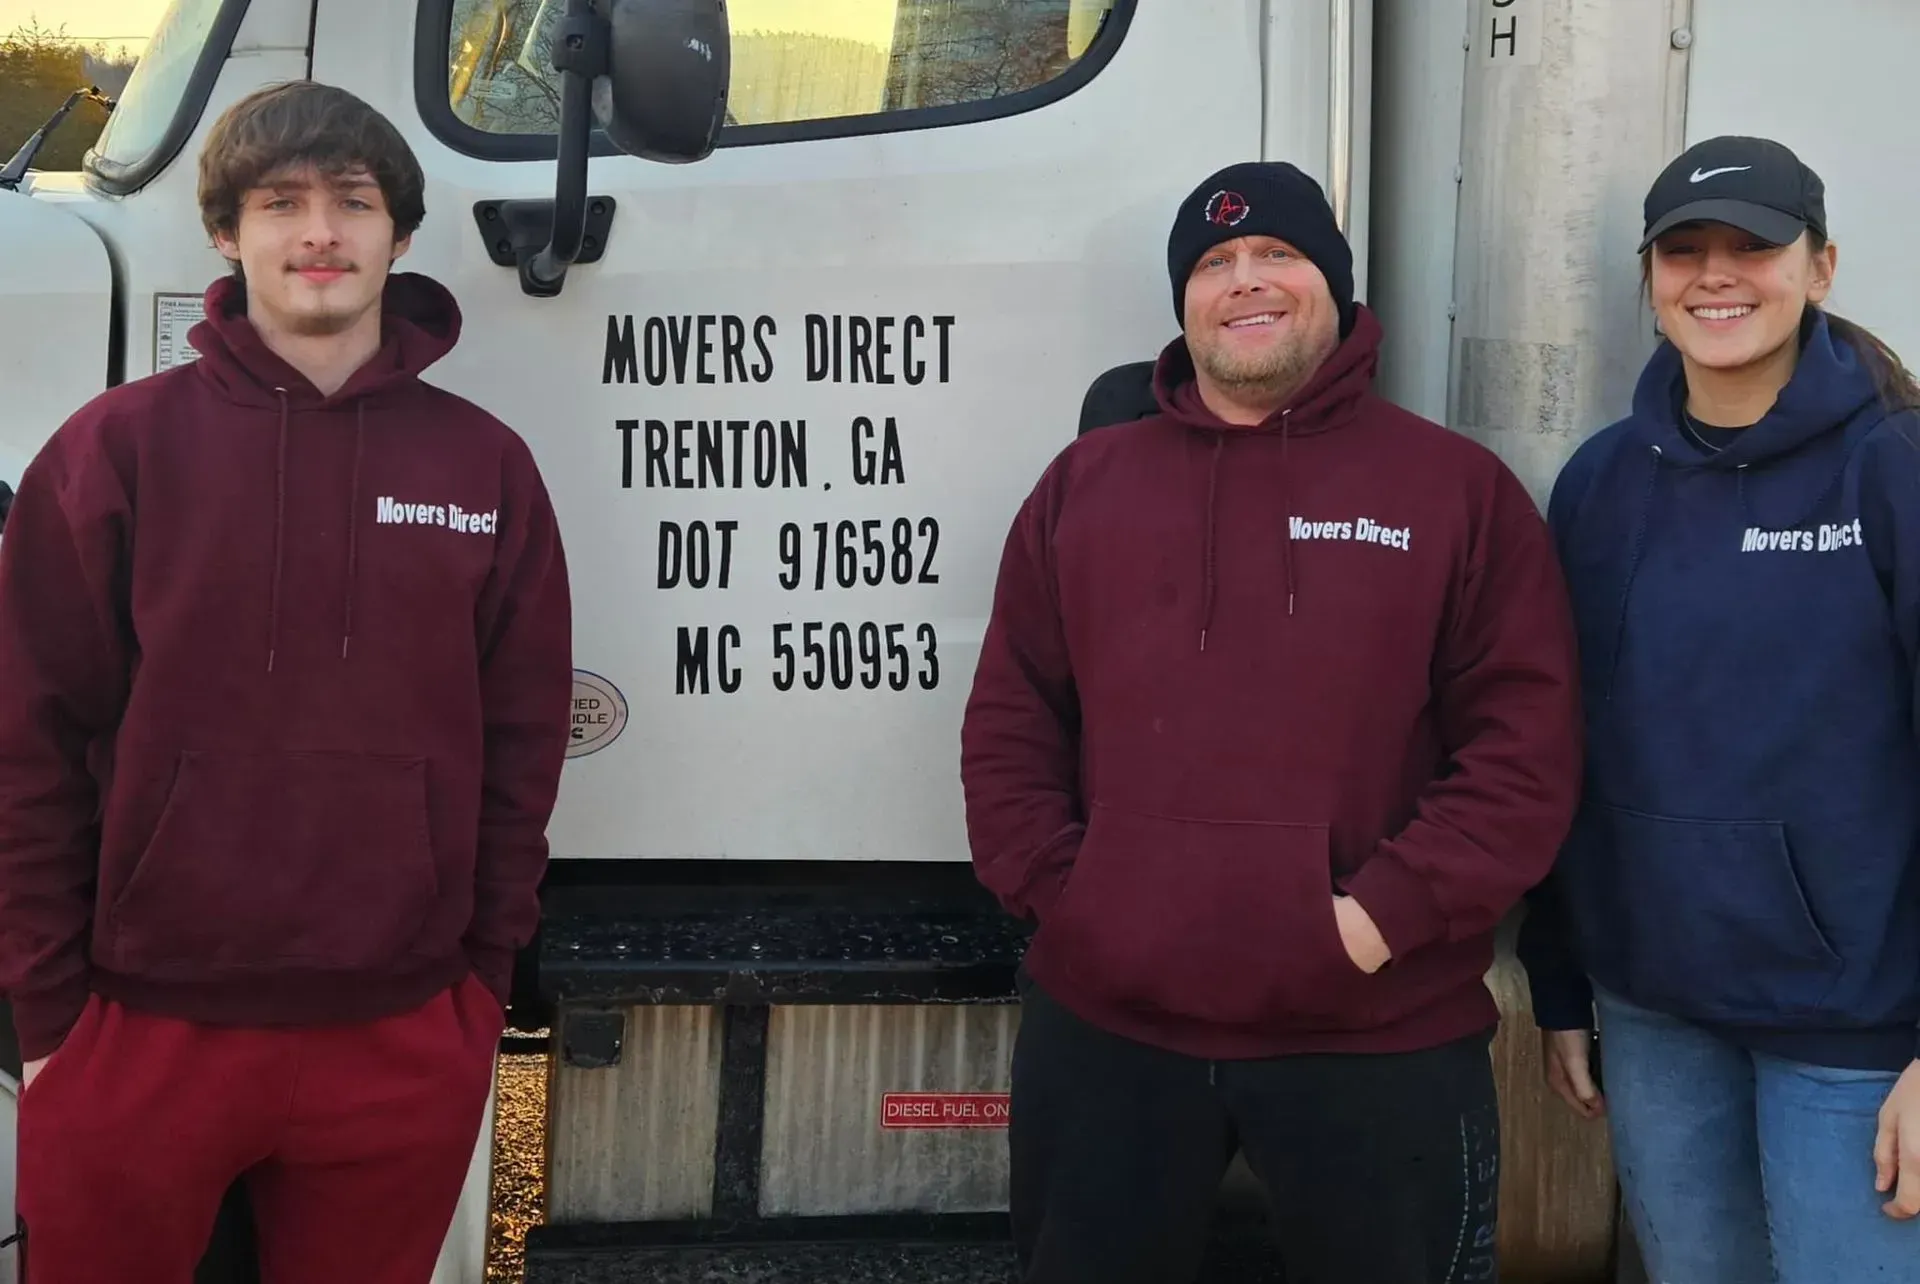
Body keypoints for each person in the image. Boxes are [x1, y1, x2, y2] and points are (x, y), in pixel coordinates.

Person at [960, 160, 1584, 1284]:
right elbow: (1011, 719)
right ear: (1185, 303)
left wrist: (1378, 917)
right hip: (1110, 1034)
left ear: (1334, 287)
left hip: (1375, 1033)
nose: (1245, 282)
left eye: (1277, 256)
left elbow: (1522, 751)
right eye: (1214, 264)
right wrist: (1077, 900)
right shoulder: (1083, 486)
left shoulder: (1456, 492)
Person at [0, 81, 573, 1284]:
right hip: (141, 1027)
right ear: (226, 233)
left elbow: (524, 746)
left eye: (353, 203)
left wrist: (477, 986)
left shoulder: (487, 463)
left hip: (404, 1029)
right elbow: (25, 742)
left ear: (399, 236)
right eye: (282, 204)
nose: (320, 232)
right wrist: (47, 1017)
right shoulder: (115, 449)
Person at [1517, 136, 1920, 1284]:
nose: (1717, 275)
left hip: (1856, 1035)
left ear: (1823, 267)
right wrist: (1562, 980)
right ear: (1649, 280)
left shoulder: (1894, 470)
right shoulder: (1600, 483)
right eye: (1684, 250)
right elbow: (1567, 749)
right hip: (1658, 1017)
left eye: (1755, 246)